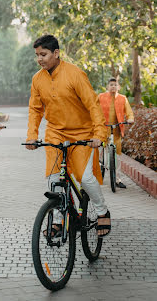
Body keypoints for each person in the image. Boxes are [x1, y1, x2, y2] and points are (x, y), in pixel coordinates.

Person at [25, 35, 111, 237]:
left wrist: (99, 133)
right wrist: (32, 135)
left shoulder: (75, 74)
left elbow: (92, 104)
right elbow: (35, 110)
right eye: (37, 55)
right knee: (55, 178)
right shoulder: (37, 79)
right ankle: (57, 219)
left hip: (82, 133)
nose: (40, 59)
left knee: (86, 178)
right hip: (55, 132)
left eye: (43, 54)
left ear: (56, 53)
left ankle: (101, 211)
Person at [97, 78, 134, 188]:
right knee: (102, 152)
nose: (113, 86)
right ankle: (100, 170)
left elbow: (129, 112)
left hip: (117, 130)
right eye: (111, 85)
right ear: (107, 87)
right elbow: (93, 108)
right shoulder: (100, 97)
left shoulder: (123, 99)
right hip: (103, 129)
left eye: (115, 85)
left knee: (117, 155)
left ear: (118, 87)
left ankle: (117, 179)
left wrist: (130, 118)